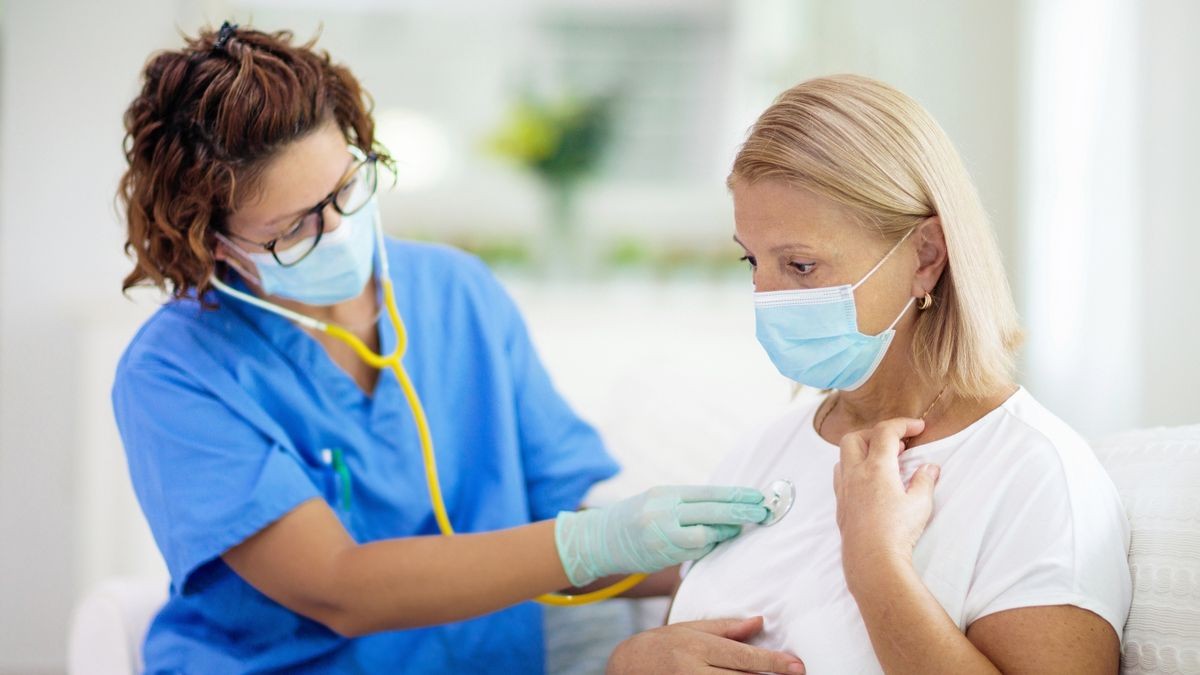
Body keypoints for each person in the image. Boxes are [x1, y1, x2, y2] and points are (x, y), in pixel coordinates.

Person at [113, 23, 768, 672]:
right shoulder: (174, 372)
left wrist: (730, 546)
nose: (339, 229)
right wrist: (596, 540)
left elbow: (553, 529)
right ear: (210, 240)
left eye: (345, 189)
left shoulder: (455, 291)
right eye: (294, 227)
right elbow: (337, 587)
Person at [609, 75, 1132, 674]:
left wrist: (874, 561)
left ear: (926, 256)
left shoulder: (1036, 474)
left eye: (801, 265)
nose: (766, 296)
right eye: (752, 260)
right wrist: (631, 661)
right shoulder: (766, 451)